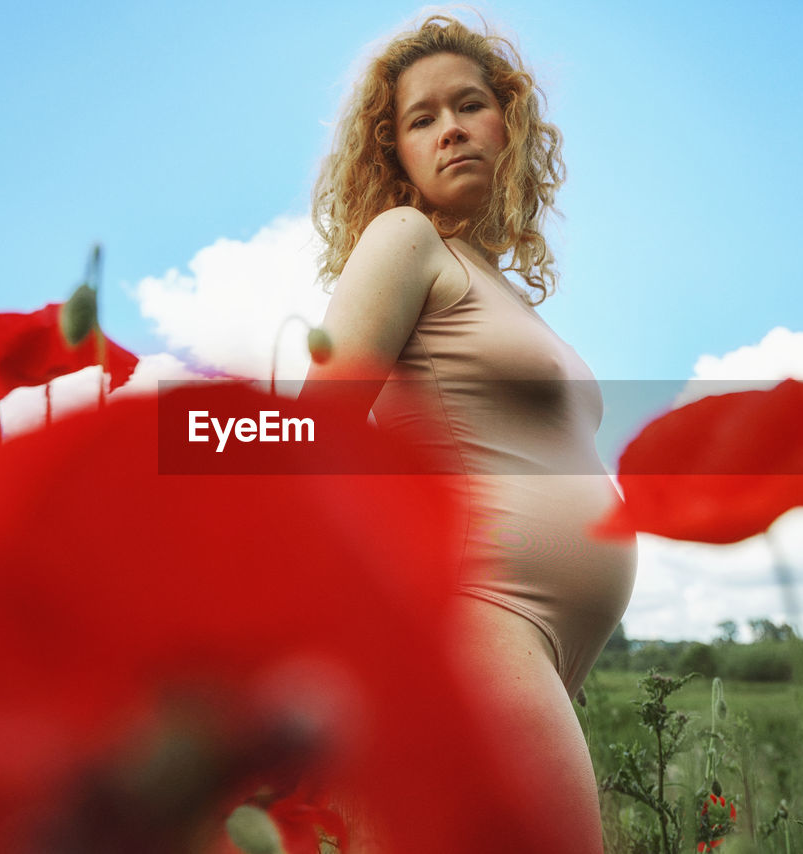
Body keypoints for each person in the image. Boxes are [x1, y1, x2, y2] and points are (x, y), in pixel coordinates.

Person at [302, 12, 637, 850]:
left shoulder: (503, 292)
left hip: (540, 650)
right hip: (477, 618)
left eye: (469, 104)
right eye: (422, 118)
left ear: (508, 122)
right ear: (396, 152)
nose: (450, 127)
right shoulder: (405, 239)